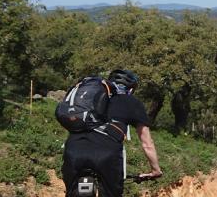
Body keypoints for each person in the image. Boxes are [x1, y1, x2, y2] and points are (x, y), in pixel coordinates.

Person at [62, 69, 162, 197]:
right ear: (131, 90)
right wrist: (155, 170)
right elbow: (147, 143)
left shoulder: (89, 99)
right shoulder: (132, 102)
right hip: (107, 155)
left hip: (73, 150)